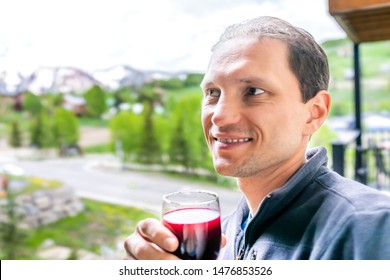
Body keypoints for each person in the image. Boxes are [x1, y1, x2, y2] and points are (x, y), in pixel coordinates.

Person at [124, 16, 390, 260]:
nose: (220, 116)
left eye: (253, 91)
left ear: (313, 113)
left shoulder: (371, 228)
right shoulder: (223, 237)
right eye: (213, 93)